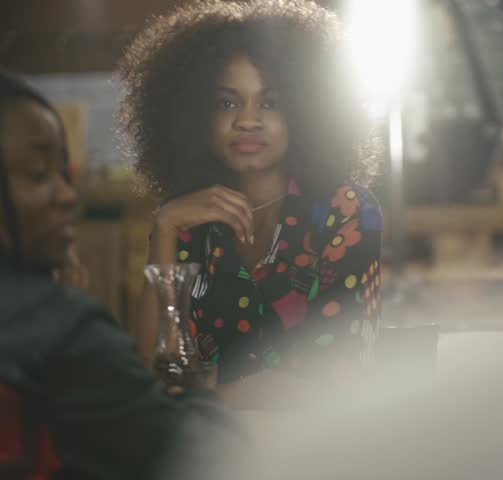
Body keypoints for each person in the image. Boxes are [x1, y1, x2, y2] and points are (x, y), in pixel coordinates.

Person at [118, 0, 383, 398]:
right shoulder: (187, 223)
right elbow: (155, 372)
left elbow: (333, 375)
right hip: (206, 452)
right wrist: (165, 228)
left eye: (270, 102)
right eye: (227, 102)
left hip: (319, 452)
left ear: (307, 111)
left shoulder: (345, 212)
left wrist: (204, 392)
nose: (247, 120)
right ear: (196, 114)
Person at [0, 71, 247, 479]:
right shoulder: (64, 327)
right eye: (39, 175)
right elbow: (210, 455)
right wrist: (203, 393)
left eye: (64, 172)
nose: (67, 195)